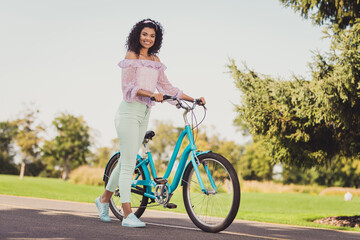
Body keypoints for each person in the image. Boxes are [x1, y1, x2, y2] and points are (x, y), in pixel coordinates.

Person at [95, 18, 206, 228]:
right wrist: (151, 94)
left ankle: (102, 200)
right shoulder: (131, 57)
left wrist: (194, 99)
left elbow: (168, 88)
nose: (148, 38)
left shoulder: (155, 60)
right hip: (128, 111)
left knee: (125, 161)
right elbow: (127, 87)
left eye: (152, 36)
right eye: (145, 34)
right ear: (138, 35)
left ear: (157, 39)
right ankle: (128, 215)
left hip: (144, 113)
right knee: (128, 163)